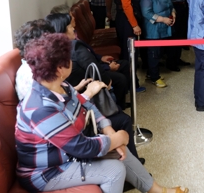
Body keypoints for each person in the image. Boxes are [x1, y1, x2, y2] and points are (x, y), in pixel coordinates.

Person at [16, 33, 188, 193]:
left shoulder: (61, 86)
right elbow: (81, 147)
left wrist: (109, 131)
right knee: (114, 169)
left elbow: (88, 105)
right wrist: (117, 138)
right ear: (60, 69)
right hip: (48, 172)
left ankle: (156, 190)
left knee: (120, 151)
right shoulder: (40, 108)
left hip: (67, 154)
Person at [15, 17, 142, 163]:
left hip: (67, 121)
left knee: (111, 116)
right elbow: (50, 111)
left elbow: (58, 96)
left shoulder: (36, 68)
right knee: (122, 120)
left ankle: (138, 174)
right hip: (60, 138)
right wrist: (88, 93)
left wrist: (78, 90)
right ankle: (129, 167)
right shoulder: (32, 76)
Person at [141, 0, 176, 88]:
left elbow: (171, 6)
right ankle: (154, 77)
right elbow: (147, 13)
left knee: (160, 52)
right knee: (153, 53)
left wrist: (173, 14)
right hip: (153, 28)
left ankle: (152, 73)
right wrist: (163, 19)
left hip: (165, 27)